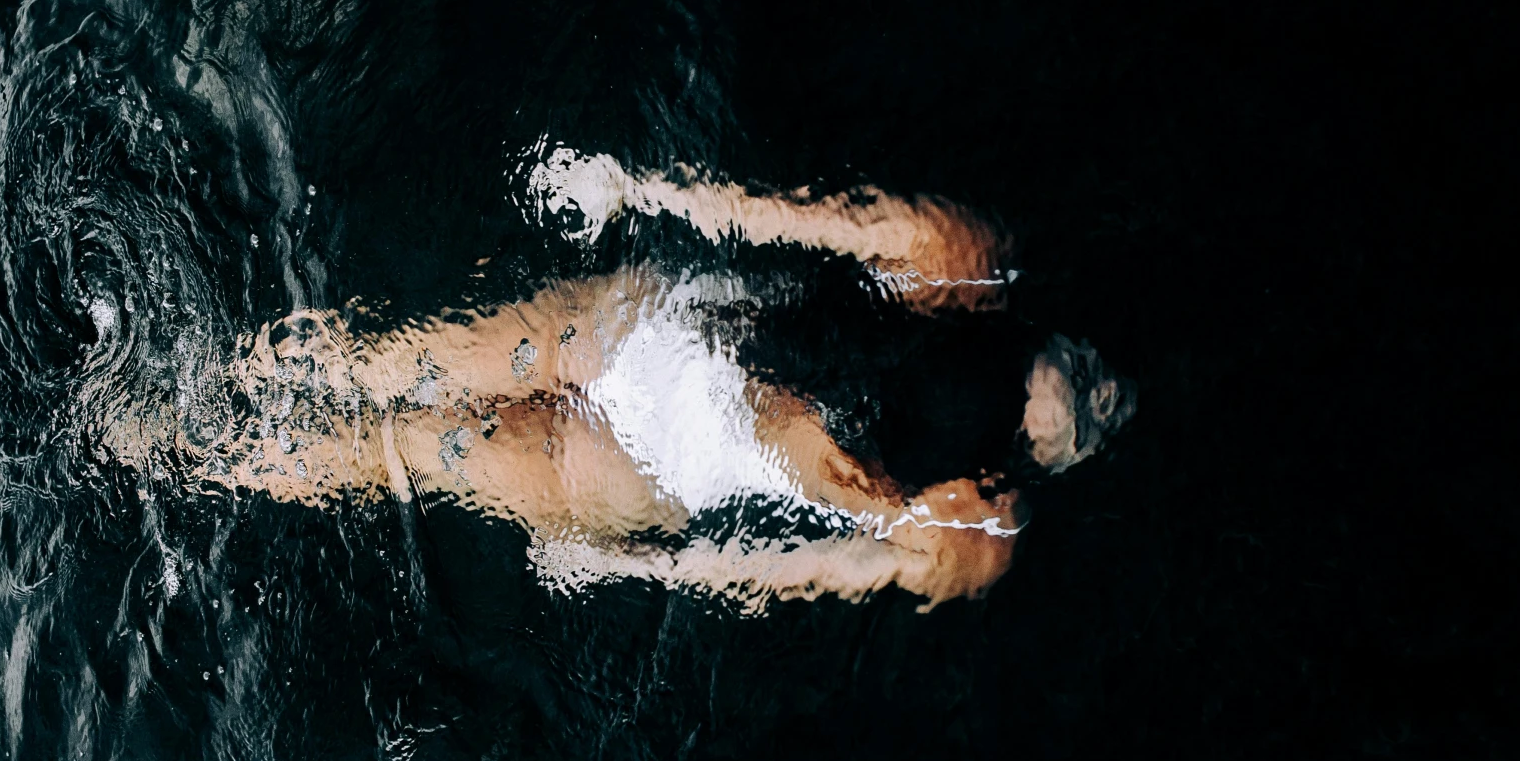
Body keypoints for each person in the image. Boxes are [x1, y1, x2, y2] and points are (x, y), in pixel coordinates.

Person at [103, 153, 1131, 610]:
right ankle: (145, 442)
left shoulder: (952, 259)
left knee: (395, 364)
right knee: (390, 450)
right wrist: (630, 567)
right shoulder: (963, 532)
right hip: (646, 468)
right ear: (1025, 465)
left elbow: (786, 216)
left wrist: (630, 186)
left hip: (648, 338)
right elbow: (806, 570)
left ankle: (195, 367)